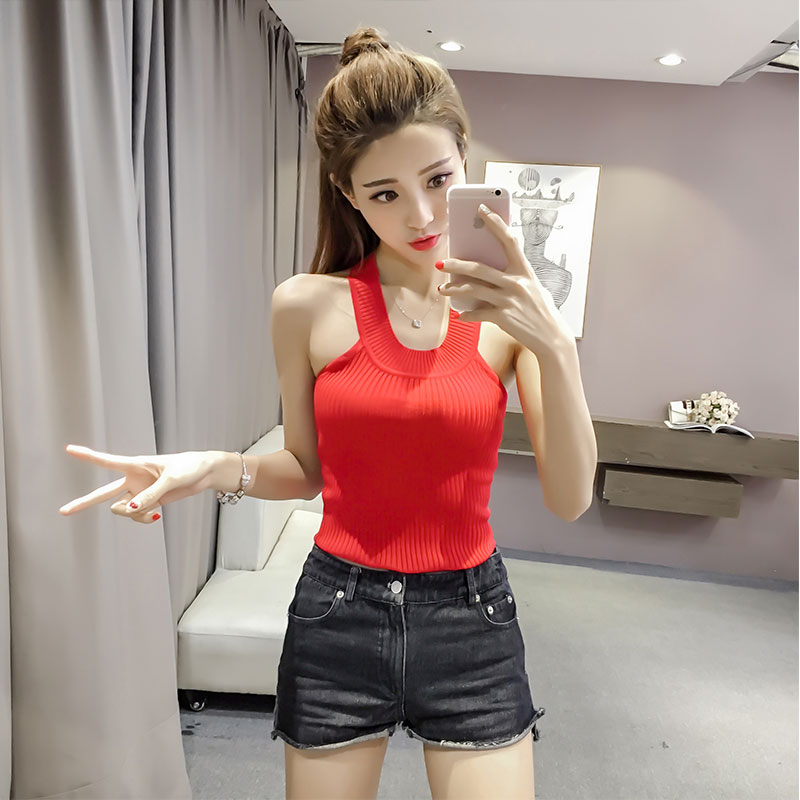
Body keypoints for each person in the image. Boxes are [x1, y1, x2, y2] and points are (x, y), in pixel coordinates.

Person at [58, 25, 582, 800]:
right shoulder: (305, 306)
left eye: (439, 179)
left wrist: (555, 345)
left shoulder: (511, 318)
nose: (422, 215)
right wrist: (210, 468)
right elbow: (306, 469)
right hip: (340, 612)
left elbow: (570, 499)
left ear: (464, 159)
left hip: (472, 618)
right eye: (385, 194)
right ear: (347, 193)